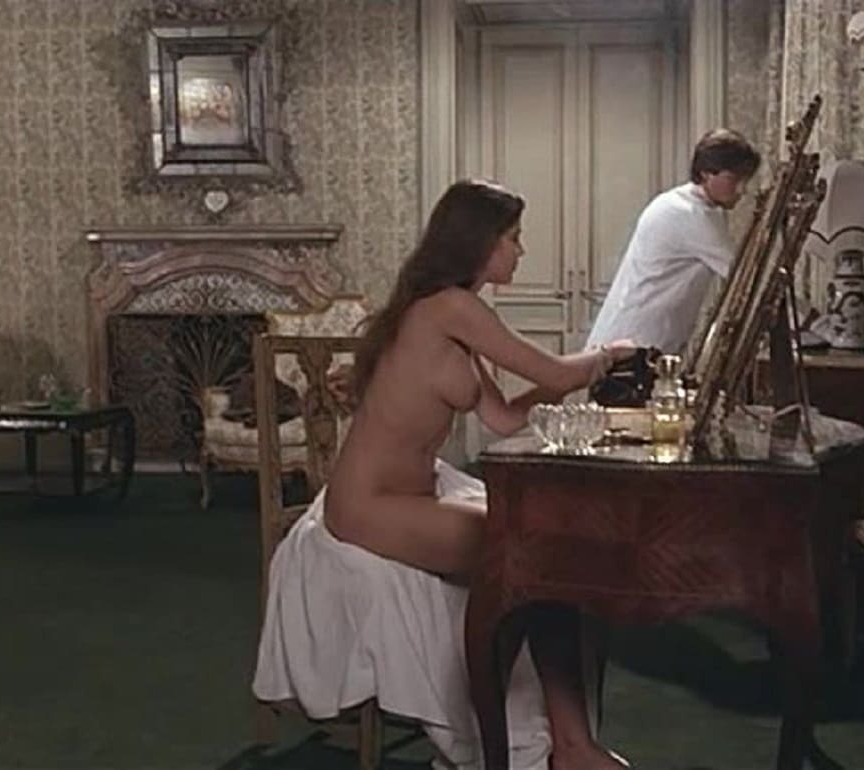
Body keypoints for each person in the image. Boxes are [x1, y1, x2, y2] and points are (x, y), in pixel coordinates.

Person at [253, 180, 633, 770]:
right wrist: (608, 357)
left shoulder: (454, 313)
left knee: (551, 553)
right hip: (367, 505)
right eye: (513, 238)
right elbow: (556, 373)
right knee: (539, 561)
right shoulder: (451, 308)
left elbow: (504, 419)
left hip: (413, 496)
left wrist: (574, 395)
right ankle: (566, 745)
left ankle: (569, 743)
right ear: (480, 242)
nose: (521, 251)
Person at [586, 129, 762, 356]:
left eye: (745, 180)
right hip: (631, 344)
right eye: (733, 179)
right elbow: (746, 277)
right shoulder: (690, 214)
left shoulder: (683, 204)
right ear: (706, 173)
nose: (741, 190)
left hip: (635, 340)